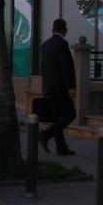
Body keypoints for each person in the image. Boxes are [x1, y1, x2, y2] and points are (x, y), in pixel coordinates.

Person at [40, 18, 76, 156]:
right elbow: (66, 67)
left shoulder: (45, 45)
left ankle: (61, 147)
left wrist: (45, 86)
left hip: (49, 87)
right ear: (65, 31)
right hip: (60, 88)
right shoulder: (62, 44)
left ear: (52, 30)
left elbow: (44, 67)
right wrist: (71, 87)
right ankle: (45, 135)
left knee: (57, 117)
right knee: (70, 114)